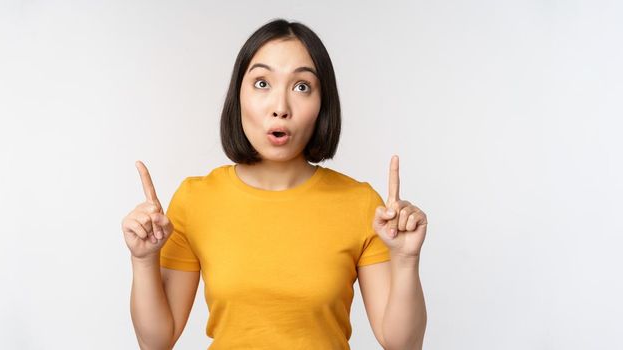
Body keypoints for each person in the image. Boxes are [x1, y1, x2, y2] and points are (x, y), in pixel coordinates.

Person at [121, 18, 428, 350]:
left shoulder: (361, 204)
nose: (280, 108)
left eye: (301, 87)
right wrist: (143, 260)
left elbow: (402, 345)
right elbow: (156, 341)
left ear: (323, 104)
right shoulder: (196, 200)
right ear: (238, 95)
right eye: (262, 83)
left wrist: (406, 260)